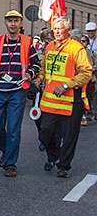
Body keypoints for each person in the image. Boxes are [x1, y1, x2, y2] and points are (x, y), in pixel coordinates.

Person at [0, 10, 40, 177]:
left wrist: (29, 74)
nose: (13, 24)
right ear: (5, 23)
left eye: (16, 21)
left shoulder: (27, 42)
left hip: (17, 91)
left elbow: (36, 64)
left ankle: (10, 164)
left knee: (13, 128)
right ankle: (5, 151)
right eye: (10, 21)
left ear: (21, 24)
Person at [35, 16, 92, 178]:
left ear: (68, 29)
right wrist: (40, 78)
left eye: (60, 28)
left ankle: (63, 166)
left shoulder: (77, 48)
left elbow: (86, 73)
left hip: (72, 100)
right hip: (50, 99)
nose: (57, 31)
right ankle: (53, 156)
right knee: (44, 131)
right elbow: (45, 68)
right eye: (55, 28)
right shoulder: (50, 46)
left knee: (69, 136)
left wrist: (66, 85)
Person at [79, 35, 97, 121]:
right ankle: (82, 115)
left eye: (84, 41)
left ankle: (87, 113)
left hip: (90, 79)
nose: (82, 43)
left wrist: (93, 68)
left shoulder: (91, 53)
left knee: (89, 97)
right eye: (81, 41)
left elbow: (95, 64)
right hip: (79, 80)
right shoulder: (76, 52)